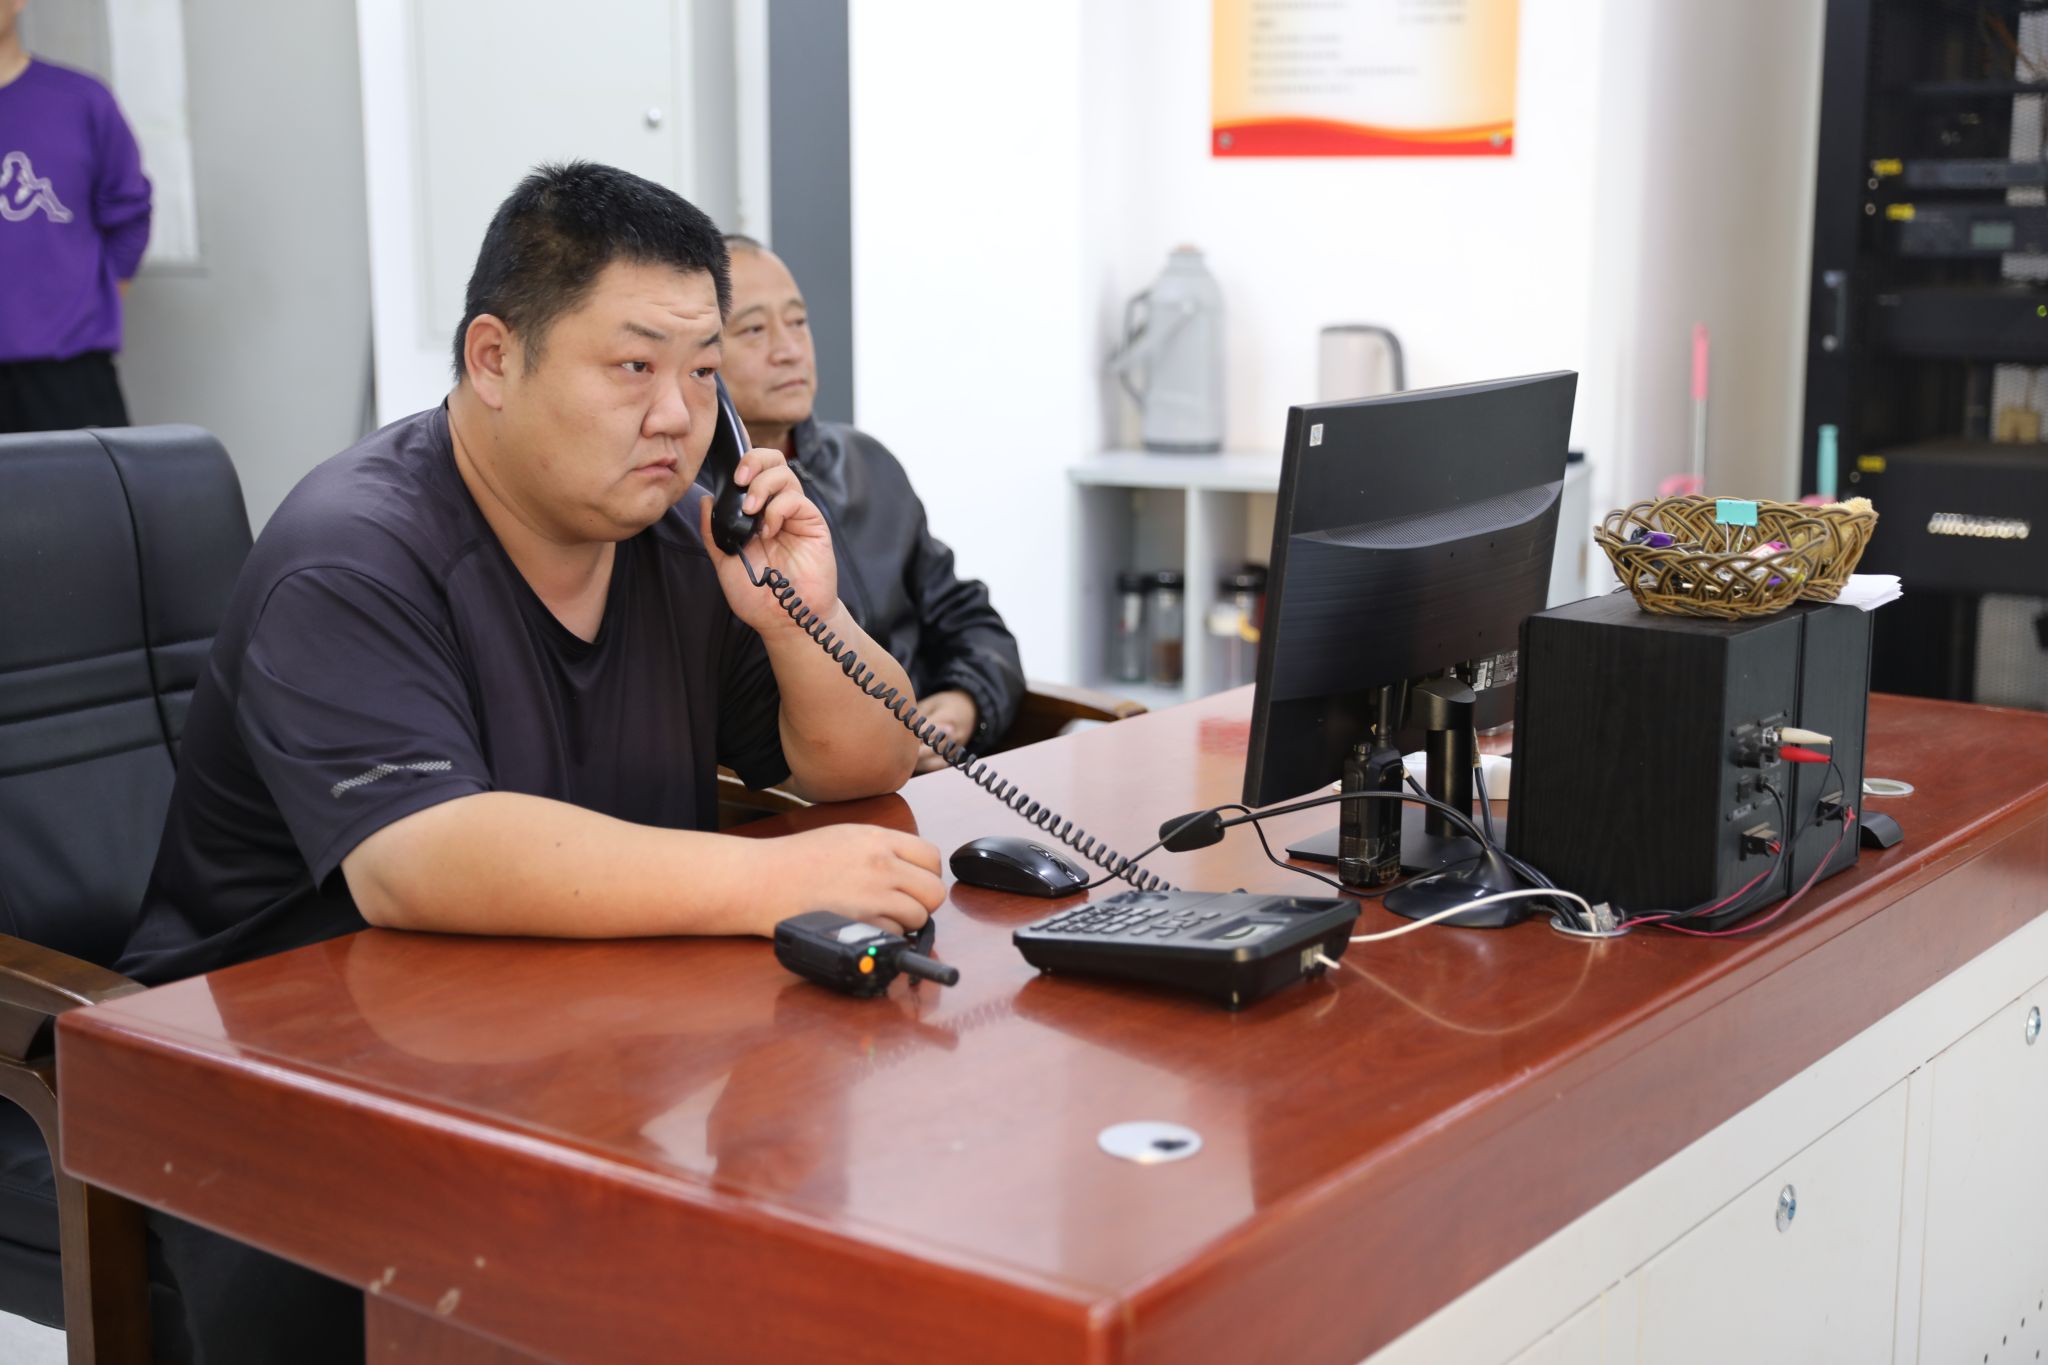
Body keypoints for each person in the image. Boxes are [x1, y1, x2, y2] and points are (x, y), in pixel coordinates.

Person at [115, 161, 942, 1363]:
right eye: (633, 367)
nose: (679, 416)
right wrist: (773, 881)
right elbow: (418, 858)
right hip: (280, 1087)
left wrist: (798, 615)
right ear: (495, 358)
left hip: (559, 1043)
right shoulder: (351, 553)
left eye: (700, 372)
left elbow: (864, 764)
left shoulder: (675, 541)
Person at [719, 235, 1024, 772]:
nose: (789, 349)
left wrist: (965, 703)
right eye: (754, 330)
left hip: (938, 772)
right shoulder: (705, 511)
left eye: (797, 322)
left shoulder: (866, 462)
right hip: (824, 789)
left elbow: (967, 616)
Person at [0, 0, 152, 432]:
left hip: (68, 376)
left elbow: (128, 216)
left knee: (87, 479)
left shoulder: (80, 101)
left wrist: (85, 304)